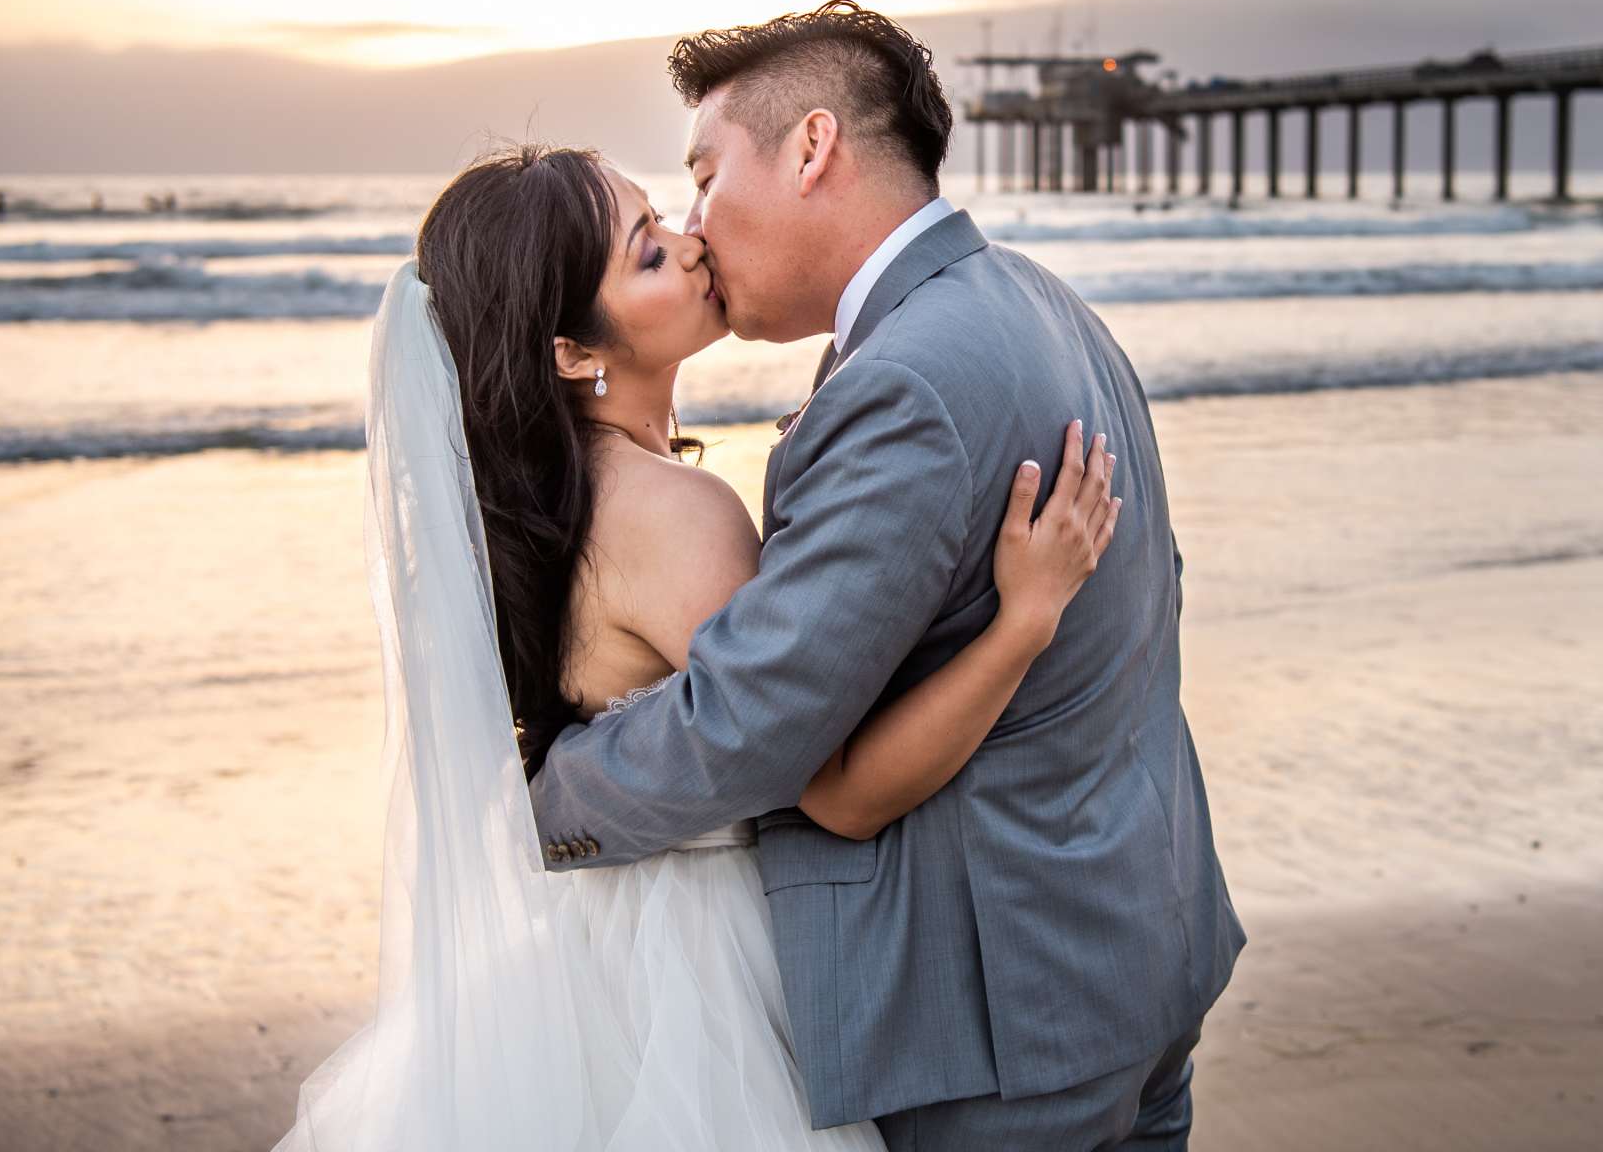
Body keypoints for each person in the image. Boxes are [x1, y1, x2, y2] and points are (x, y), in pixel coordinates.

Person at [275, 144, 1119, 1150]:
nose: (691, 246)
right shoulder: (675, 513)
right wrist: (1026, 619)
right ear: (571, 351)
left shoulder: (548, 511)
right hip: (702, 970)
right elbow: (842, 791)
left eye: (663, 219)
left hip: (597, 950)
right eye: (645, 255)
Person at [531, 1, 1243, 1150]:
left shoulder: (900, 384)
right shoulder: (1043, 302)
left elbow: (755, 725)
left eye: (705, 178)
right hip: (1138, 954)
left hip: (1005, 1026)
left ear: (812, 149)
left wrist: (544, 802)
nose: (699, 226)